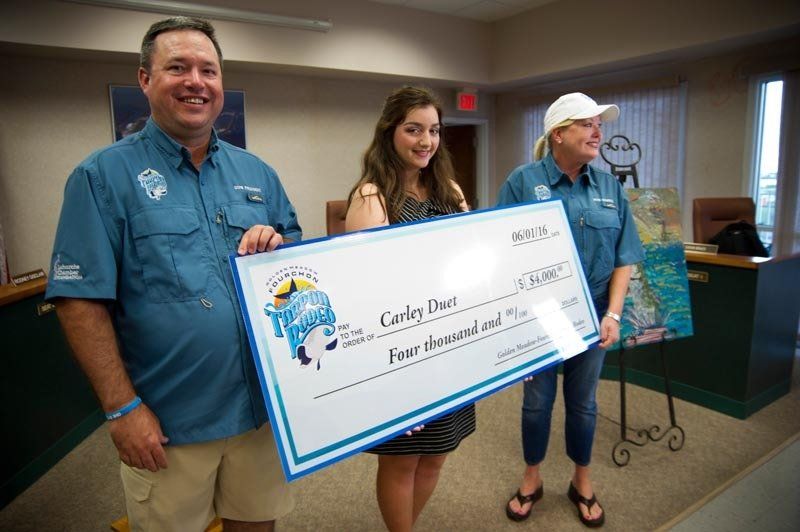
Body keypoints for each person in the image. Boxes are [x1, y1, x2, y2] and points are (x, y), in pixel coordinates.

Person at [45, 17, 300, 532]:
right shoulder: (101, 176)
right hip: (170, 424)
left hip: (261, 411)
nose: (195, 82)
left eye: (209, 70)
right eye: (177, 68)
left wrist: (279, 249)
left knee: (258, 524)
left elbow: (299, 265)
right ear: (145, 79)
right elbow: (79, 301)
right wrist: (122, 409)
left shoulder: (257, 173)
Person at [497, 92, 644, 527]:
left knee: (583, 404)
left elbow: (624, 258)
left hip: (593, 315)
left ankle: (582, 480)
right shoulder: (523, 182)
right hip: (539, 317)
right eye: (587, 124)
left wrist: (613, 314)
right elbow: (500, 252)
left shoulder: (610, 188)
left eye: (599, 125)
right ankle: (532, 478)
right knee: (536, 403)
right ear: (558, 134)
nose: (597, 132)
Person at [344, 86, 472, 532]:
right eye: (414, 129)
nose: (426, 141)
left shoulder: (449, 190)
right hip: (404, 351)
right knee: (403, 461)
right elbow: (366, 292)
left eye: (433, 131)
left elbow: (473, 259)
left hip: (451, 343)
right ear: (390, 132)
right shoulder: (372, 196)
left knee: (437, 454)